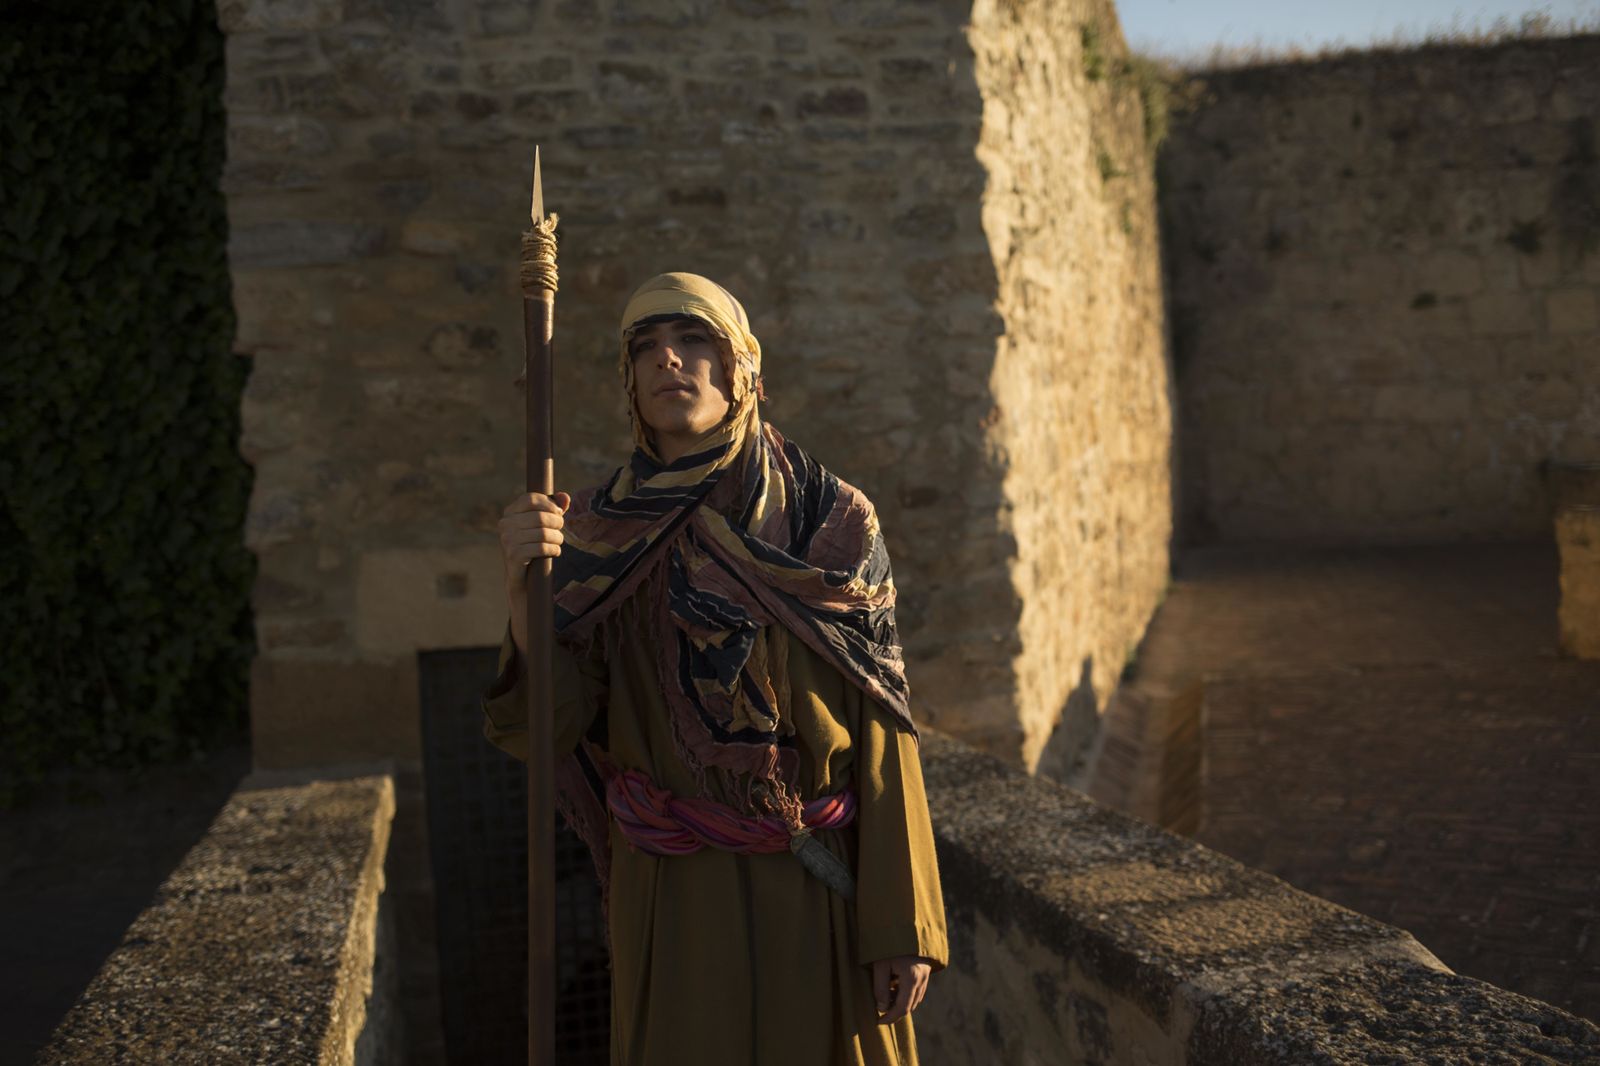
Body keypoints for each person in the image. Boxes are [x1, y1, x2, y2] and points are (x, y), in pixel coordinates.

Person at [481, 271, 947, 1065]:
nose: (670, 360)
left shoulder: (828, 521)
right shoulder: (591, 535)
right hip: (673, 900)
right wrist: (527, 592)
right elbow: (549, 730)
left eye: (694, 340)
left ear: (743, 369)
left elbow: (883, 727)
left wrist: (902, 926)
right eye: (646, 349)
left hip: (818, 891)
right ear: (628, 384)